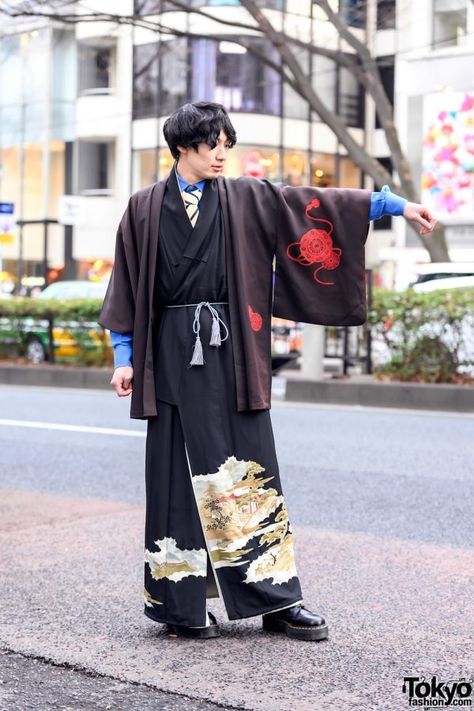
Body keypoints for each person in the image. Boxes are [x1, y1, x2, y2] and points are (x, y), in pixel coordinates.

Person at [99, 101, 436, 642]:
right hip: (168, 355)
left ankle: (277, 600)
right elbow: (127, 290)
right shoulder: (141, 209)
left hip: (234, 352)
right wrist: (123, 357)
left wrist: (394, 204)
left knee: (248, 469)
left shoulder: (248, 197)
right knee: (176, 478)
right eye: (213, 144)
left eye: (227, 143)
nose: (222, 153)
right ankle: (179, 605)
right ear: (183, 147)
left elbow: (313, 205)